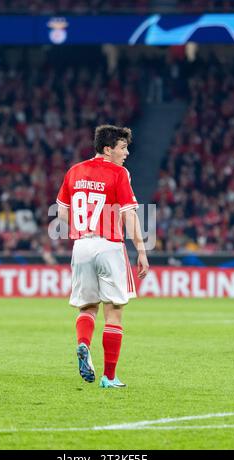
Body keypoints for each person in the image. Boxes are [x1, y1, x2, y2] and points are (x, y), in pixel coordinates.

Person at [56, 125, 149, 388]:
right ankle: (109, 377)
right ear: (108, 150)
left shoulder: (75, 171)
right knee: (114, 311)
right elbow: (129, 215)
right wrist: (141, 251)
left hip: (81, 246)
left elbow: (62, 214)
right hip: (109, 246)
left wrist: (83, 225)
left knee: (87, 307)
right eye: (122, 147)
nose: (127, 153)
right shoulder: (119, 173)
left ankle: (83, 345)